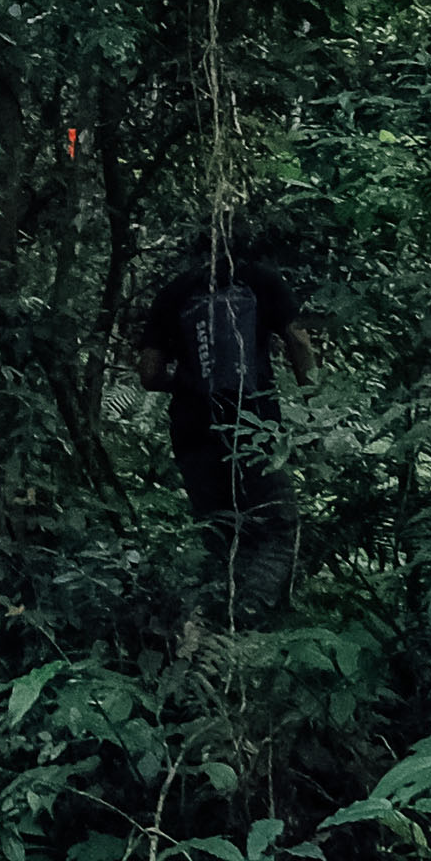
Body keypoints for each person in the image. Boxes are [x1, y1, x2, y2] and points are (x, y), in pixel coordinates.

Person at [137, 224, 306, 619]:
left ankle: (211, 624)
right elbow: (299, 342)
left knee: (219, 532)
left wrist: (186, 384)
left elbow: (148, 373)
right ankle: (247, 619)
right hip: (255, 425)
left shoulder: (174, 292)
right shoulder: (262, 282)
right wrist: (314, 399)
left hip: (193, 431)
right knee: (277, 529)